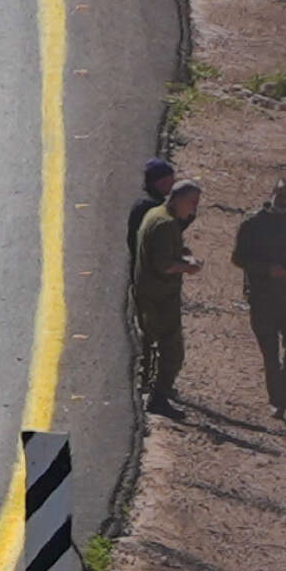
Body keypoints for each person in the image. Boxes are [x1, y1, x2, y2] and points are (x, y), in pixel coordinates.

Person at [231, 178, 286, 418]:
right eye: (281, 194)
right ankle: (277, 399)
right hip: (261, 297)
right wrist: (267, 270)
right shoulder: (252, 224)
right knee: (270, 353)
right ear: (272, 193)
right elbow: (238, 259)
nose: (284, 200)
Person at [131, 179, 203, 416]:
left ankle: (149, 385)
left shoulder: (156, 214)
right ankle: (158, 398)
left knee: (152, 341)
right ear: (179, 199)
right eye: (192, 203)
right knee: (172, 350)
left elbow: (159, 251)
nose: (193, 209)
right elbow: (163, 264)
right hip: (159, 297)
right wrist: (187, 267)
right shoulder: (165, 224)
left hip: (149, 293)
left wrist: (183, 256)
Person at [124, 158, 176, 250]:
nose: (173, 184)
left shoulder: (144, 201)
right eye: (171, 181)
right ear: (161, 183)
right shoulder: (153, 207)